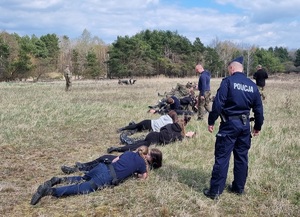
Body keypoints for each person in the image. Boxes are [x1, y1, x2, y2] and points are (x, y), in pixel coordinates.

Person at [203, 56, 264, 200]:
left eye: (228, 69)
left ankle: (215, 191)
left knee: (222, 157)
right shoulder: (252, 85)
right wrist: (257, 126)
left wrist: (211, 121)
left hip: (229, 126)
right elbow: (259, 109)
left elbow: (218, 104)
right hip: (244, 126)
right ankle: (238, 188)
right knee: (242, 157)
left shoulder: (228, 82)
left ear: (232, 68)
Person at [30, 146, 160, 205]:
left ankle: (58, 179)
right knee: (82, 188)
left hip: (103, 166)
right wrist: (137, 174)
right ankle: (49, 191)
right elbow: (144, 177)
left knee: (82, 178)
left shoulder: (130, 152)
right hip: (106, 177)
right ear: (152, 160)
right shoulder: (143, 165)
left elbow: (115, 160)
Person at [107, 115, 194, 153]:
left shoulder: (169, 125)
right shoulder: (179, 135)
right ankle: (117, 149)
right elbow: (179, 139)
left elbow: (161, 129)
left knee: (137, 142)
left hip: (153, 134)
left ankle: (122, 144)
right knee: (136, 146)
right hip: (154, 140)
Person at [61, 147, 163, 174]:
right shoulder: (145, 161)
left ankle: (78, 169)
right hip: (120, 160)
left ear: (153, 159)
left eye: (148, 154)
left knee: (101, 162)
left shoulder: (146, 166)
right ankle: (82, 166)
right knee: (102, 158)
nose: (146, 154)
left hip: (117, 165)